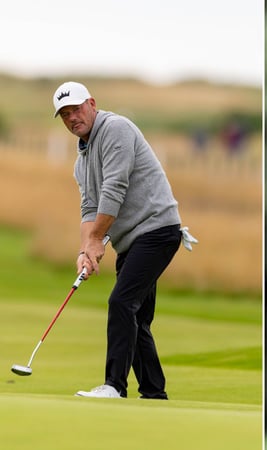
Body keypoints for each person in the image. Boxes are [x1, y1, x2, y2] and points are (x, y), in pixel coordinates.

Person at [53, 81, 195, 399]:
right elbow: (90, 207)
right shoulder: (82, 161)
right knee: (137, 317)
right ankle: (154, 391)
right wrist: (85, 250)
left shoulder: (116, 128)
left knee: (121, 303)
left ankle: (114, 385)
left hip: (157, 231)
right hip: (132, 241)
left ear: (91, 103)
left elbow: (114, 188)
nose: (72, 117)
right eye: (64, 114)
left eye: (75, 109)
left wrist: (97, 240)